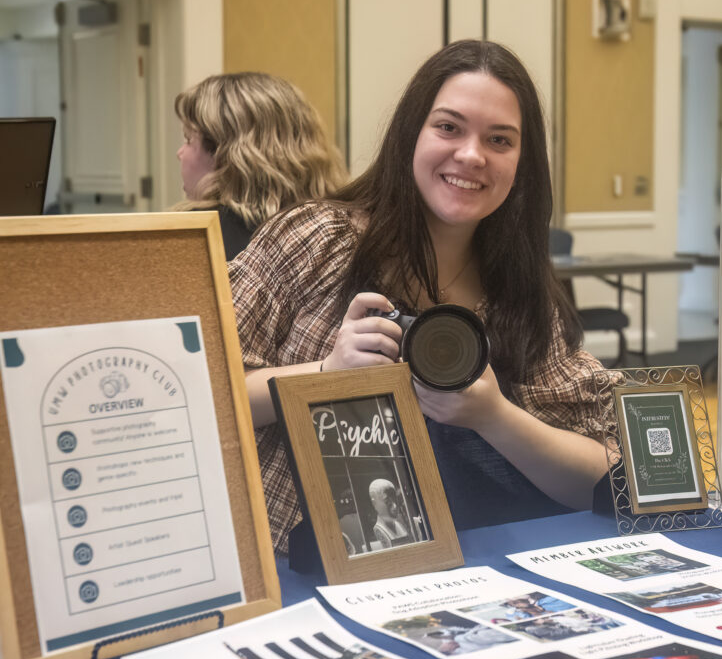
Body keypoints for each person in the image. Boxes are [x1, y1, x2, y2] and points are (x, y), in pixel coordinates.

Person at [230, 40, 616, 554]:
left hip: (460, 575)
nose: (472, 155)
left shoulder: (515, 292)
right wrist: (326, 376)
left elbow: (602, 471)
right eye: (449, 127)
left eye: (500, 139)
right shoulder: (315, 238)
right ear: (411, 132)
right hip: (288, 562)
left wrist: (494, 416)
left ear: (522, 162)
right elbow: (201, 397)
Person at [173, 72, 346, 259]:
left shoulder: (194, 237)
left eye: (188, 139)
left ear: (225, 154)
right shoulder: (337, 233)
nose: (179, 153)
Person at [368, 478, 412, 548]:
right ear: (374, 503)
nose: (395, 506)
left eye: (395, 499)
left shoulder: (399, 525)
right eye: (387, 502)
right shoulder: (378, 530)